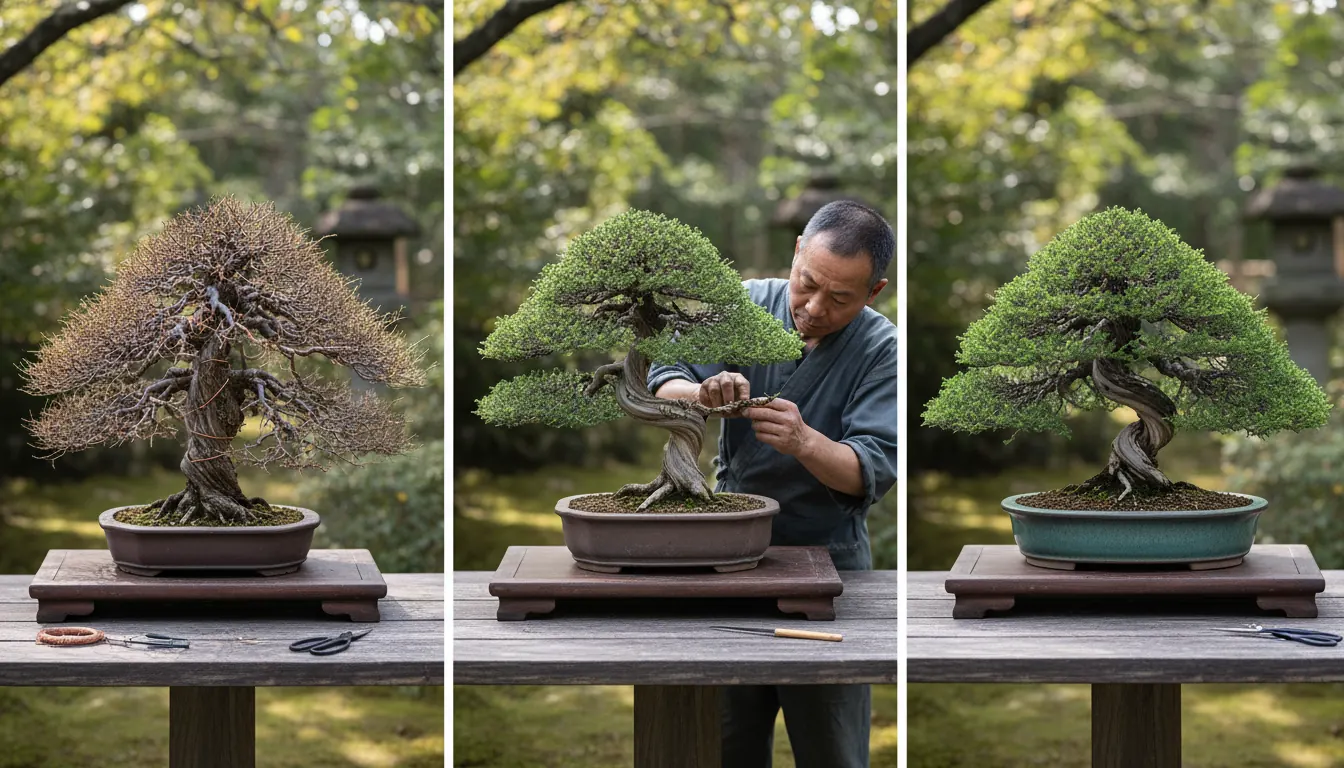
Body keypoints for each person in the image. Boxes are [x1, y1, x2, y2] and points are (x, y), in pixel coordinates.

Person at [648, 199, 897, 768]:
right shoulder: (742, 305)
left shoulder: (882, 350)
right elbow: (663, 377)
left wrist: (805, 441)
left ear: (873, 292)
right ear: (796, 255)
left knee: (830, 745)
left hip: (829, 564)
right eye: (806, 284)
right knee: (724, 739)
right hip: (730, 553)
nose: (813, 308)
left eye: (840, 299)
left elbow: (872, 469)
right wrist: (704, 395)